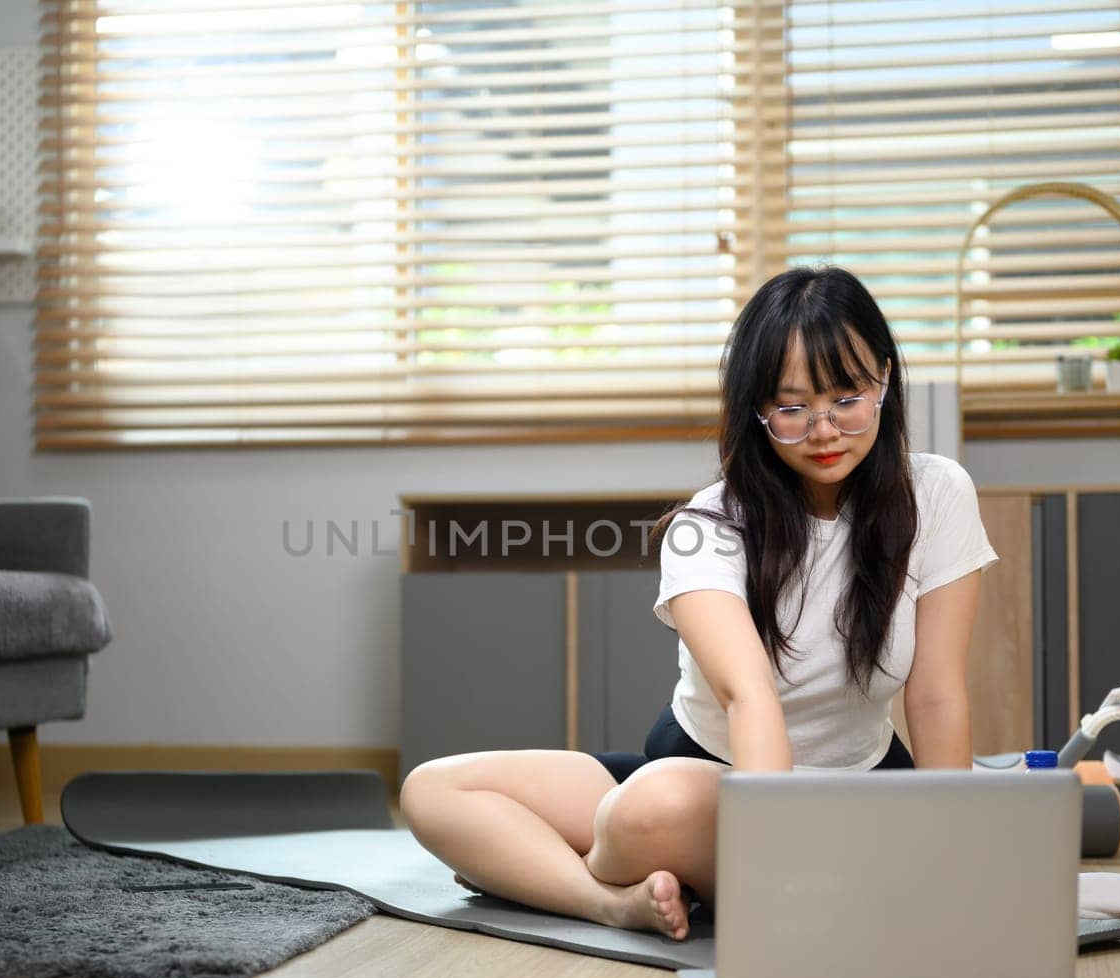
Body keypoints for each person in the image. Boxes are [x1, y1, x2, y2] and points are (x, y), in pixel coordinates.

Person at [398, 266, 999, 943]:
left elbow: (938, 696)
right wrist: (774, 880)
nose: (824, 429)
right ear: (755, 408)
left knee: (642, 815)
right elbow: (751, 699)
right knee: (437, 790)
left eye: (847, 397)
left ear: (884, 378)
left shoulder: (938, 493)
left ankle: (571, 866)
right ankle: (607, 900)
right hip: (710, 775)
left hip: (856, 787)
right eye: (792, 406)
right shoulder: (706, 527)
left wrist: (953, 856)